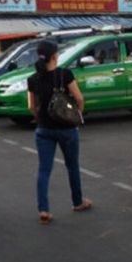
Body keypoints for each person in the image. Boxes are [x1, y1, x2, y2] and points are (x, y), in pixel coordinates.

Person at [26, 40, 91, 225]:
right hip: (66, 129)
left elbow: (32, 106)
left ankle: (43, 209)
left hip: (43, 130)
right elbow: (79, 98)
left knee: (44, 170)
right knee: (72, 166)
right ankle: (77, 202)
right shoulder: (65, 74)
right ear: (55, 55)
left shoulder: (33, 79)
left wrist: (40, 119)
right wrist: (75, 115)